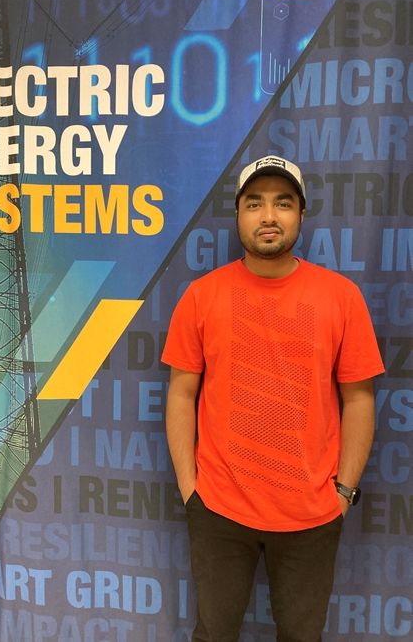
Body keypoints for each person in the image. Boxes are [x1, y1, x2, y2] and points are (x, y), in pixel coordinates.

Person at [161, 155, 384, 642]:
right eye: (254, 203)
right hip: (219, 510)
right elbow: (181, 393)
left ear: (301, 214)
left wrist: (343, 493)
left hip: (312, 515)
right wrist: (191, 490)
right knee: (213, 635)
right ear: (238, 215)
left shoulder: (342, 297)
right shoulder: (201, 296)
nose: (268, 216)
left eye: (283, 203)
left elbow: (359, 399)